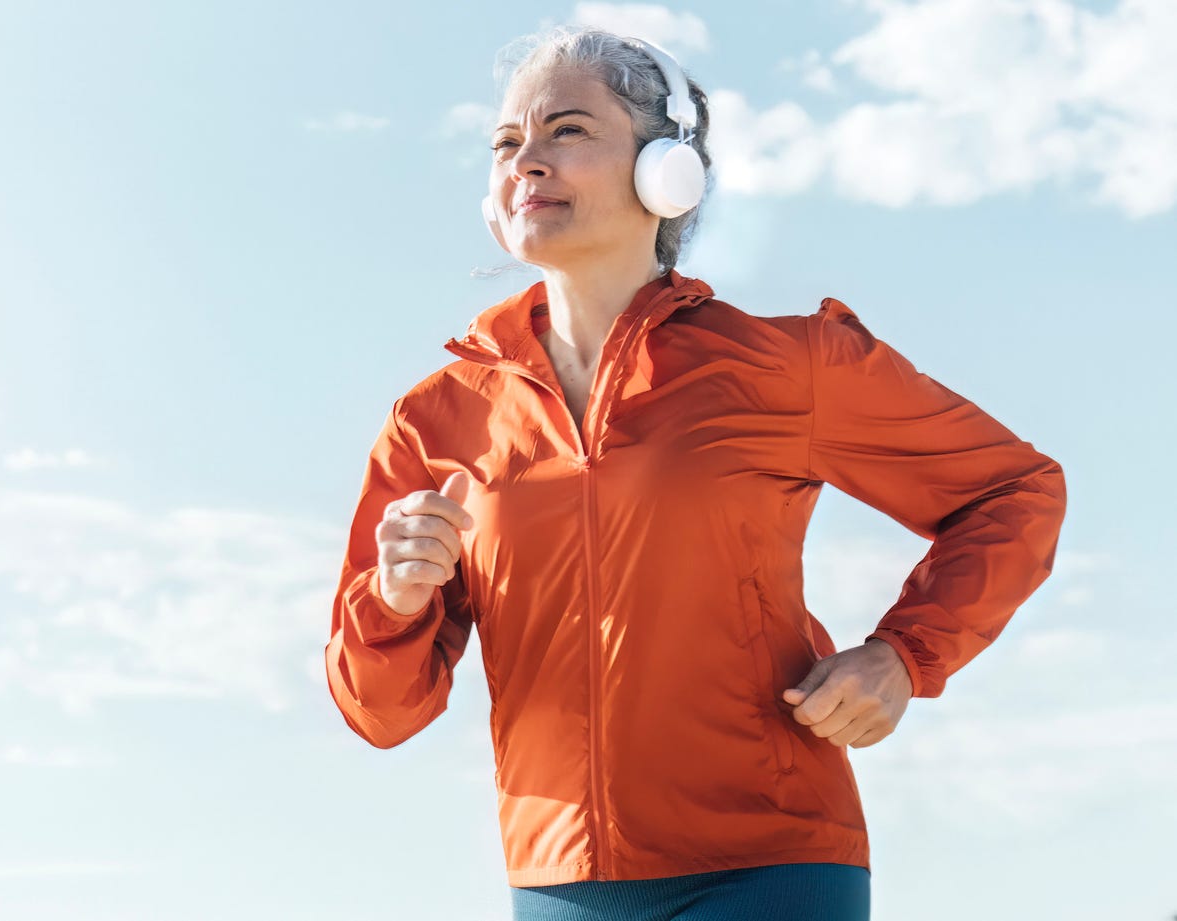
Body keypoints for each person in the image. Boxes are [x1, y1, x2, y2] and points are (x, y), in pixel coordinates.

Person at [323, 25, 1067, 921]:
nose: (527, 162)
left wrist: (904, 656)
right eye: (505, 143)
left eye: (566, 131)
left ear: (664, 170)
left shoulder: (786, 365)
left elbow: (1014, 490)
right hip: (560, 882)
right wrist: (395, 602)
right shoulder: (437, 417)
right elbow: (381, 712)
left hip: (772, 863)